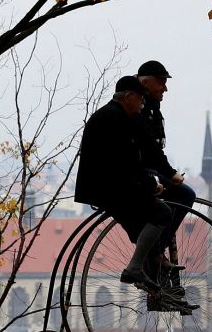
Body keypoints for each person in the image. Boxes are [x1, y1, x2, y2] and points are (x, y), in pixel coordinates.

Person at [75, 75, 196, 312]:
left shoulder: (117, 116)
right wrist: (151, 185)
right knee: (161, 212)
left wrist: (151, 184)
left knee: (150, 220)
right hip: (108, 188)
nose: (142, 104)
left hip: (110, 185)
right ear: (129, 97)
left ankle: (151, 267)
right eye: (140, 99)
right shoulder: (115, 118)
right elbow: (125, 161)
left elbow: (131, 160)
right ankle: (136, 267)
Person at [133, 60, 195, 285]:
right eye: (162, 82)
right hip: (139, 173)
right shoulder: (138, 107)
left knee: (181, 195)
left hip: (150, 169)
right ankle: (155, 253)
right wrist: (166, 174)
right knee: (184, 195)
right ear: (146, 82)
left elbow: (155, 149)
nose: (165, 88)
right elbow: (148, 150)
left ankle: (156, 253)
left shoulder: (150, 108)